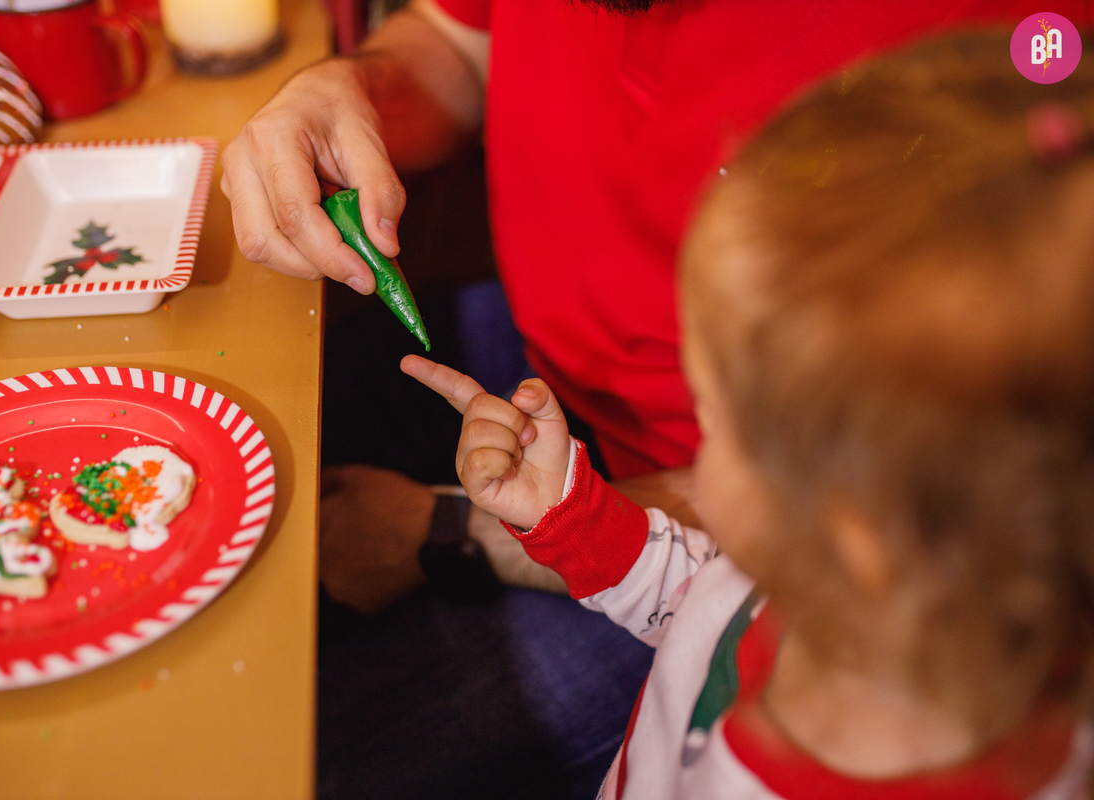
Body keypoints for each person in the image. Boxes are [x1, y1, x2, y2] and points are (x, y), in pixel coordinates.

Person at [222, 1, 1094, 797]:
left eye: (716, 423)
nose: (702, 442)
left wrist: (449, 530)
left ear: (852, 523)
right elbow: (688, 592)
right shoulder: (769, 585)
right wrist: (569, 516)